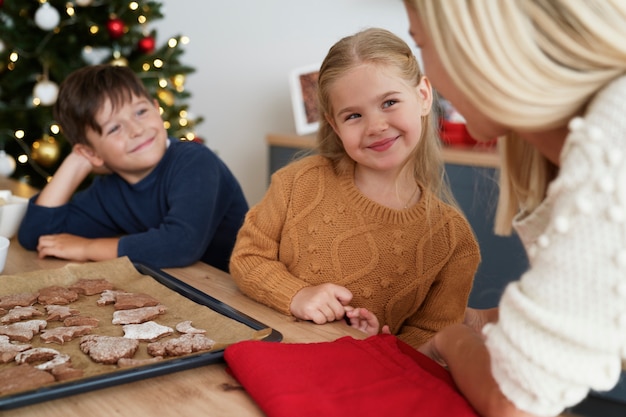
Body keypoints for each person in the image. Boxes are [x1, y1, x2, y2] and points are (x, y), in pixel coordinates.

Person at [399, 1, 626, 416]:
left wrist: (452, 338)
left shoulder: (613, 140)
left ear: (474, 40)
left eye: (421, 43)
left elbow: (513, 401)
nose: (426, 68)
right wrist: (486, 320)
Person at [229, 28, 481, 350]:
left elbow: (431, 336)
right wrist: (296, 294)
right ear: (335, 125)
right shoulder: (297, 183)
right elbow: (248, 257)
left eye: (389, 102)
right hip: (267, 361)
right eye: (354, 115)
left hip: (351, 385)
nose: (375, 126)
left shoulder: (453, 240)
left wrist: (382, 343)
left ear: (423, 96)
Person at [17, 64, 248, 271]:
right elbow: (38, 236)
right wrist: (77, 162)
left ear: (157, 110)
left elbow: (180, 244)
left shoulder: (195, 162)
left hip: (234, 296)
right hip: (180, 285)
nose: (136, 129)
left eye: (141, 112)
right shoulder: (110, 190)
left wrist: (89, 248)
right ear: (91, 152)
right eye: (114, 128)